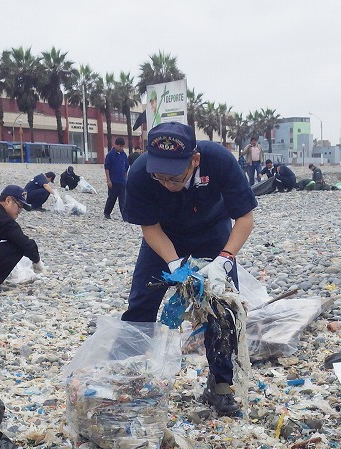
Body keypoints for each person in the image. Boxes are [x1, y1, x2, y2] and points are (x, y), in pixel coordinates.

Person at [120, 122, 257, 417]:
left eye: (174, 177)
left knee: (223, 310)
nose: (167, 184)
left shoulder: (218, 160)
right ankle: (125, 375)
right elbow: (150, 227)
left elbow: (245, 217)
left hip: (213, 236)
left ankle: (221, 386)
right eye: (161, 176)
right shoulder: (142, 174)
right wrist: (173, 263)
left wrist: (224, 259)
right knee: (141, 303)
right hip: (164, 239)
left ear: (194, 160)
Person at [102, 137, 129, 220]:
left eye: (122, 146)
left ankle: (125, 216)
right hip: (113, 181)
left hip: (122, 181)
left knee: (123, 200)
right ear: (116, 145)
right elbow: (107, 168)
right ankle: (107, 213)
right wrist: (108, 180)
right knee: (111, 198)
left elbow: (126, 168)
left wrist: (126, 179)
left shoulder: (124, 155)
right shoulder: (110, 155)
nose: (121, 148)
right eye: (120, 146)